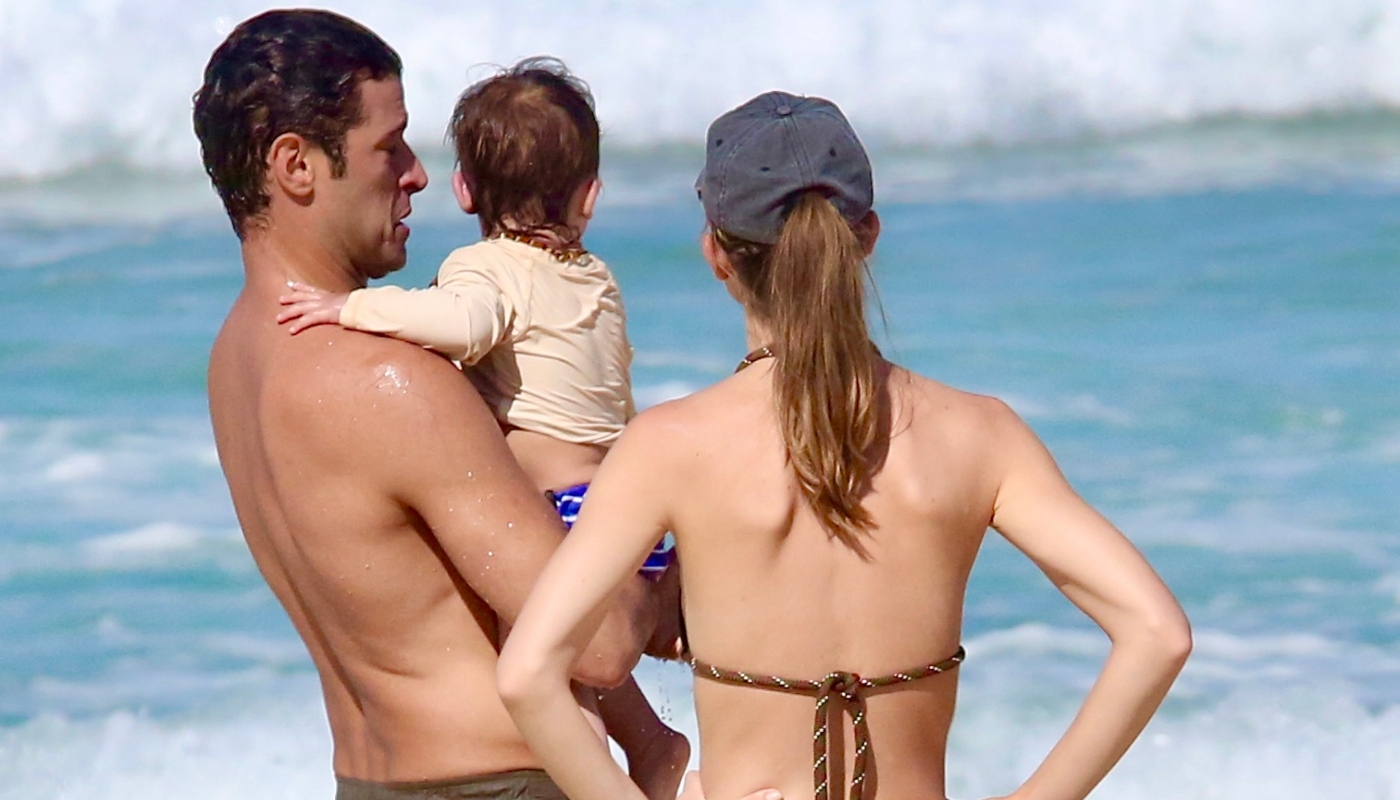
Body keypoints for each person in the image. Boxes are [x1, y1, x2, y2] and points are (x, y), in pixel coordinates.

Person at [496, 91, 1193, 800]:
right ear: (867, 236)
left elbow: (528, 675)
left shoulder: (670, 446)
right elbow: (1157, 632)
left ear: (717, 255)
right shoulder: (980, 434)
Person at [194, 10, 653, 800]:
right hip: (497, 782)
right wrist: (658, 528)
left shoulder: (234, 361)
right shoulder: (394, 380)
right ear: (296, 165)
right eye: (390, 146)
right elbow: (600, 644)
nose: (416, 175)